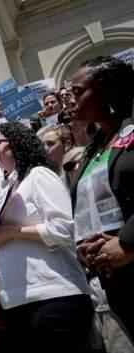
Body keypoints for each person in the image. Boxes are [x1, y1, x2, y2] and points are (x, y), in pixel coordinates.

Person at [0, 122, 93, 353]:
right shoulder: (7, 187)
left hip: (53, 298)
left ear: (17, 144)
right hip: (16, 304)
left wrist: (11, 233)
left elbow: (64, 229)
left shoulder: (38, 175)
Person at [71, 56, 134, 337]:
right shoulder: (94, 146)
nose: (70, 99)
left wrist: (128, 244)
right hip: (109, 285)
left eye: (78, 91)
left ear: (107, 90)